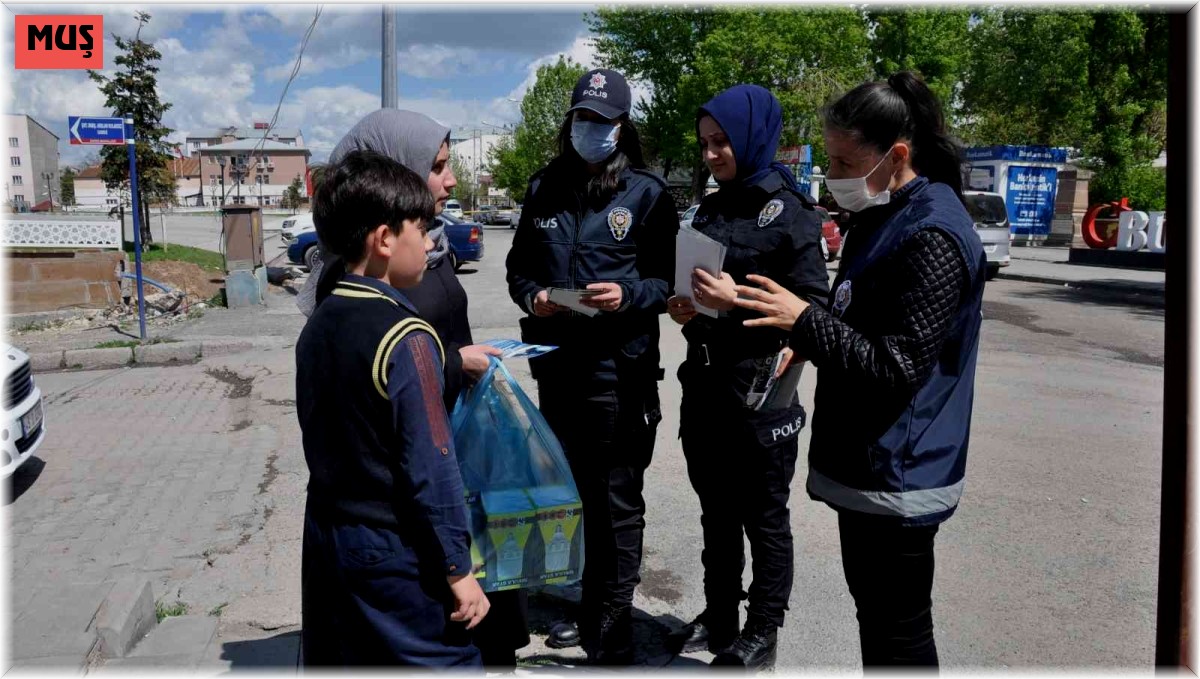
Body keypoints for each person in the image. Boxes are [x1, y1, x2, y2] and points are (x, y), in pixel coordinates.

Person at [730, 72, 987, 669]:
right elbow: (858, 321)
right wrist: (807, 337)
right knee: (877, 617)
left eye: (846, 160)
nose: (834, 176)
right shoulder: (884, 212)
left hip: (900, 471)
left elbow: (897, 366)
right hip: (869, 465)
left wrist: (802, 321)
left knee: (898, 632)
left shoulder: (932, 232)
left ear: (897, 154)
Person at [304, 109, 528, 670]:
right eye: (422, 230)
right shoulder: (408, 335)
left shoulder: (322, 317)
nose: (429, 239)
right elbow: (430, 467)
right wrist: (459, 572)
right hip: (397, 544)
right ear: (384, 239)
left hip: (334, 534)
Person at [505, 68, 678, 664]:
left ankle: (612, 627)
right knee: (573, 499)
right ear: (570, 120)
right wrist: (537, 298)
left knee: (615, 504)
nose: (591, 129)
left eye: (603, 121)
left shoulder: (647, 194)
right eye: (583, 117)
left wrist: (627, 296)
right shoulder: (542, 189)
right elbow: (518, 271)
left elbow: (670, 284)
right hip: (558, 372)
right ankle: (589, 608)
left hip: (619, 375)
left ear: (622, 127)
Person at [664, 84, 829, 670]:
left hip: (761, 392)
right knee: (716, 514)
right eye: (705, 144)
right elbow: (688, 284)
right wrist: (682, 304)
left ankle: (763, 628)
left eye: (722, 142)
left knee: (763, 518)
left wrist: (736, 300)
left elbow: (816, 308)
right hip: (706, 386)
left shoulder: (790, 213)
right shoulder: (710, 207)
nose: (711, 154)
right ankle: (720, 614)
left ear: (753, 137)